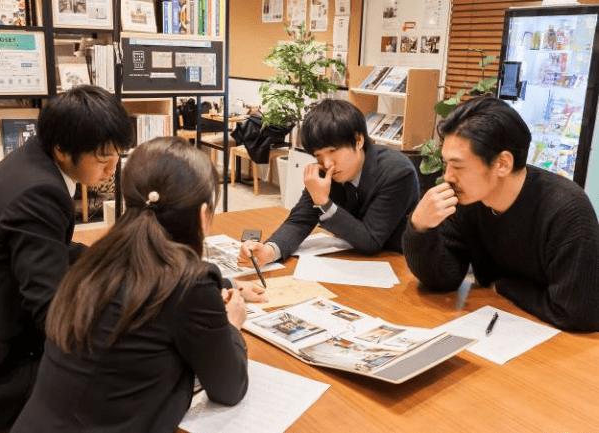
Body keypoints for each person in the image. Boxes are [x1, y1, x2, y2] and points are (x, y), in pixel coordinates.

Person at [11, 137, 249, 432]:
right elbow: (229, 388)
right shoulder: (190, 283)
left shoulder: (96, 258)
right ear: (203, 216)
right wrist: (232, 326)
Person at [0, 85, 134, 433]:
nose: (112, 168)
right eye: (102, 158)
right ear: (63, 149)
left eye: (117, 154)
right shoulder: (39, 191)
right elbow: (51, 311)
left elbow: (47, 246)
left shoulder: (31, 159)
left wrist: (111, 261)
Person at [403, 97, 599, 332]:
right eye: (447, 164)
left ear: (503, 164)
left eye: (458, 166)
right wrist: (420, 228)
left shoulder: (567, 211)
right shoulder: (468, 199)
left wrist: (506, 287)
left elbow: (577, 313)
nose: (448, 176)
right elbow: (444, 279)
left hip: (563, 341)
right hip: (499, 322)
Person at [238, 99, 419, 267]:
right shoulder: (324, 171)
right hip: (351, 260)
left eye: (333, 151)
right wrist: (269, 252)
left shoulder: (397, 172)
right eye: (318, 155)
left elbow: (371, 241)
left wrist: (324, 203)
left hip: (397, 263)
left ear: (358, 141)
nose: (327, 163)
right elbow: (300, 221)